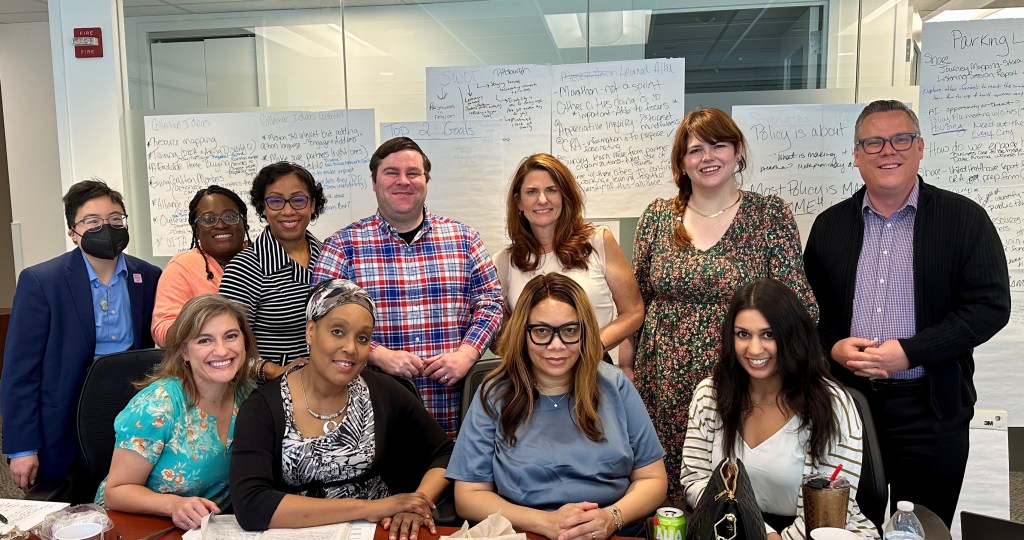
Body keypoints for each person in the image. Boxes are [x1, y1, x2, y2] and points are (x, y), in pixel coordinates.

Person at [803, 99, 1010, 527]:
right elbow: (809, 313)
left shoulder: (965, 220)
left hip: (931, 410)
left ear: (920, 148)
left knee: (922, 527)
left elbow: (990, 307)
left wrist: (912, 352)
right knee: (843, 525)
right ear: (856, 155)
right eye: (873, 142)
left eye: (901, 139)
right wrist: (834, 348)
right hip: (848, 409)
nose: (887, 151)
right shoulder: (829, 226)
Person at [631, 106, 816, 503]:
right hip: (662, 381)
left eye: (719, 145)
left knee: (732, 488)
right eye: (695, 150)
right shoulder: (658, 217)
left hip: (744, 376)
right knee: (664, 490)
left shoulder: (769, 215)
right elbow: (637, 302)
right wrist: (628, 367)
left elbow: (799, 307)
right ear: (682, 162)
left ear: (737, 152)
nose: (708, 157)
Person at [447, 273, 666, 540]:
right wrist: (545, 522)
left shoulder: (615, 385)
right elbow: (469, 496)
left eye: (570, 330)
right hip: (526, 533)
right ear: (522, 333)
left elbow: (653, 480)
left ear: (584, 331)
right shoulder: (494, 393)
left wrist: (611, 518)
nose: (556, 345)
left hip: (612, 533)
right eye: (541, 331)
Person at [230, 279, 454, 538]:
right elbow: (251, 506)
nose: (350, 348)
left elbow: (446, 453)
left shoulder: (384, 391)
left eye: (362, 338)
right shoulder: (263, 407)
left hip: (379, 532)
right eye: (337, 331)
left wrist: (417, 502)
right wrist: (370, 508)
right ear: (310, 330)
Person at [312, 137, 502, 436]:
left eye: (413, 173)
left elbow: (491, 302)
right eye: (391, 173)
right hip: (373, 417)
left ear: (426, 180)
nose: (403, 181)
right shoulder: (342, 246)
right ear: (374, 182)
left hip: (457, 412)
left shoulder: (464, 239)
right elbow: (322, 319)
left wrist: (467, 354)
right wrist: (377, 354)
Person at [680, 279, 878, 540]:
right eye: (743, 334)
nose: (754, 349)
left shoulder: (832, 403)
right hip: (734, 528)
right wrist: (758, 529)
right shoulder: (711, 395)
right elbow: (694, 480)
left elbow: (830, 503)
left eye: (768, 334)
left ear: (791, 335)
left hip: (819, 531)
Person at [1, 179, 161, 491]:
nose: (108, 227)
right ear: (73, 233)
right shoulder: (42, 281)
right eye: (93, 221)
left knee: (126, 499)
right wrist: (22, 448)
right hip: (64, 419)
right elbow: (20, 371)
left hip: (129, 413)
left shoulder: (149, 276)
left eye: (116, 219)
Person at [97, 294, 257, 531]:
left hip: (205, 530)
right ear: (184, 352)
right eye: (204, 340)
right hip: (136, 526)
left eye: (231, 336)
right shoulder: (159, 404)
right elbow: (115, 492)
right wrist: (173, 505)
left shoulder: (248, 397)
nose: (222, 350)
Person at [493, 153, 643, 368]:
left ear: (565, 196)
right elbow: (500, 332)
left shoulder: (599, 241)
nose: (542, 200)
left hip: (594, 367)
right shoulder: (504, 261)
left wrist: (590, 349)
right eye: (532, 191)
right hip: (537, 377)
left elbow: (634, 311)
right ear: (519, 202)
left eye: (552, 190)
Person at [220, 161, 327, 375]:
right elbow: (227, 346)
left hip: (325, 385)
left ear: (313, 205)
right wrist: (273, 371)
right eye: (276, 201)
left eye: (298, 200)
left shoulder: (329, 257)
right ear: (263, 207)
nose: (288, 211)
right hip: (267, 393)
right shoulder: (244, 268)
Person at [152, 185, 251, 347]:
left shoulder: (263, 259)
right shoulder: (181, 267)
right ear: (196, 230)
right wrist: (207, 330)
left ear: (244, 222)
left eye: (230, 217)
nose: (221, 225)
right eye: (209, 219)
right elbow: (162, 331)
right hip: (205, 365)